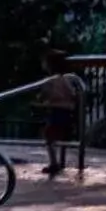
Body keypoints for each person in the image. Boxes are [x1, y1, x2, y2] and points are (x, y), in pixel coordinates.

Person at [37, 49, 80, 177]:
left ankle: (54, 162)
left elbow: (45, 94)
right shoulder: (67, 79)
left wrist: (42, 101)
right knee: (60, 135)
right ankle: (60, 161)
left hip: (56, 109)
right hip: (66, 110)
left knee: (49, 136)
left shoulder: (51, 80)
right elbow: (73, 94)